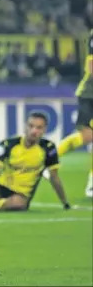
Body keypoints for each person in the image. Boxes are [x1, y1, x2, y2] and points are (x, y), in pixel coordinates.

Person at [44, 29, 93, 198]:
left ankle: (92, 184)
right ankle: (47, 160)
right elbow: (91, 66)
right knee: (87, 136)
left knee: (89, 137)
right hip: (90, 94)